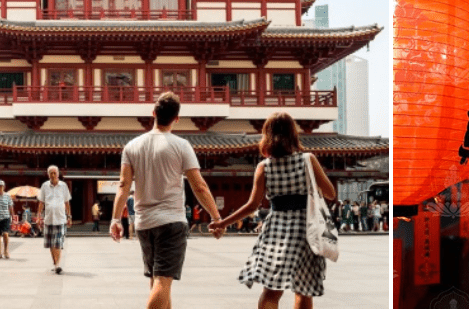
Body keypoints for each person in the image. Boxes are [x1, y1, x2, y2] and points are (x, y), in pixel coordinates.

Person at [210, 112, 337, 308]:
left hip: (276, 231)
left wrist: (222, 223)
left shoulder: (264, 167)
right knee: (304, 291)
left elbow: (252, 205)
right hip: (306, 230)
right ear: (292, 134)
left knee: (270, 292)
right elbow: (330, 193)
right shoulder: (308, 160)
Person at [109, 92, 222, 309]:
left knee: (157, 280)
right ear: (177, 118)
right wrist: (216, 217)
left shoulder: (132, 146)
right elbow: (199, 186)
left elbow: (123, 185)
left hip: (144, 224)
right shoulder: (181, 145)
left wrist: (115, 219)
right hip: (171, 222)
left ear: (153, 114)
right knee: (162, 281)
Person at [37, 165, 72, 274]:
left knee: (58, 243)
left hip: (60, 218)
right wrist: (39, 216)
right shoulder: (44, 186)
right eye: (51, 173)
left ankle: (57, 265)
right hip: (48, 219)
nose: (53, 175)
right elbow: (41, 202)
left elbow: (67, 202)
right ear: (48, 175)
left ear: (58, 174)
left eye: (54, 173)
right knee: (51, 244)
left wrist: (69, 216)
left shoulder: (63, 186)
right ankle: (55, 263)